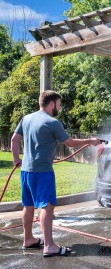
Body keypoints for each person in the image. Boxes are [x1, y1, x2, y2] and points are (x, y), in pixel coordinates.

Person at [11, 90, 101, 257]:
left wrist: (16, 159)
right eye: (59, 104)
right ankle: (49, 246)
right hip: (43, 172)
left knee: (28, 205)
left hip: (26, 171)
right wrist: (91, 141)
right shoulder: (52, 122)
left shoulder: (27, 118)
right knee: (47, 206)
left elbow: (14, 140)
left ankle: (28, 239)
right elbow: (70, 142)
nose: (59, 107)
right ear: (51, 103)